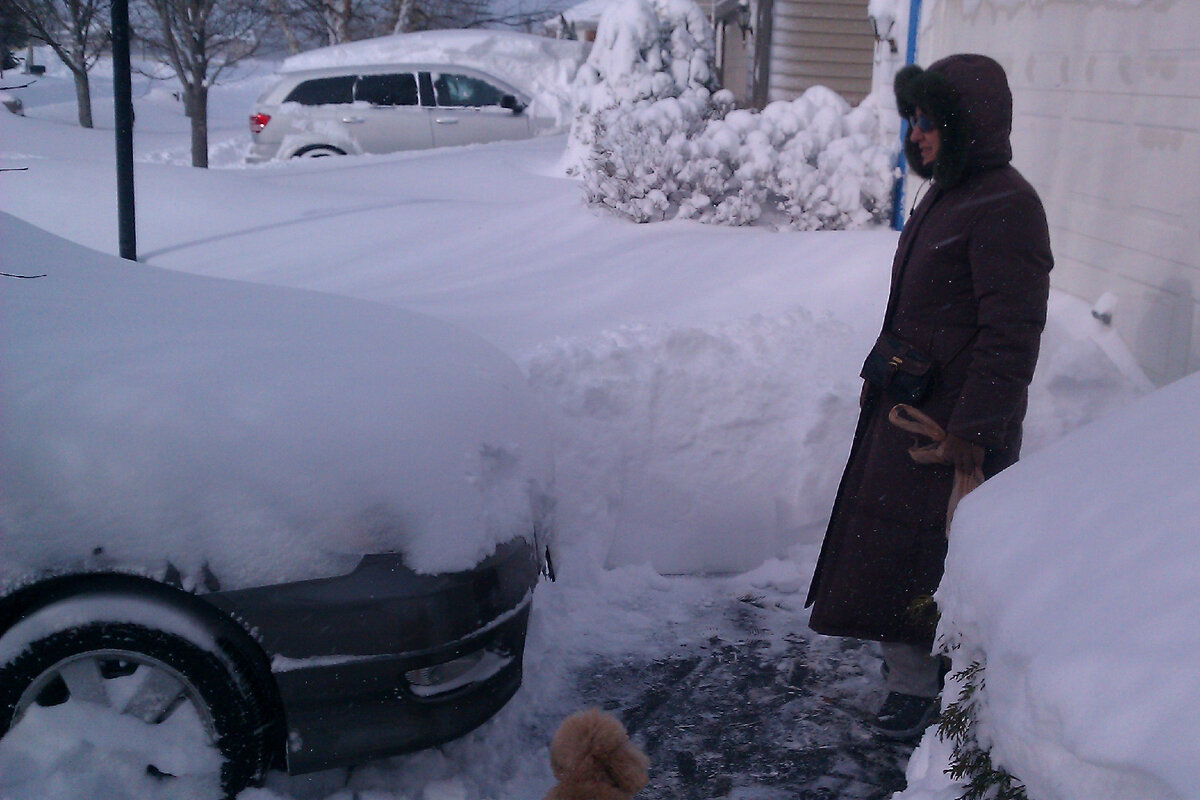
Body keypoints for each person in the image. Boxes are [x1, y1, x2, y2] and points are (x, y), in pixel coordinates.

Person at [804, 54, 1054, 739]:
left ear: (966, 123)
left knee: (930, 565)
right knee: (893, 557)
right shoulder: (948, 193)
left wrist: (972, 434)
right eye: (911, 118)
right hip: (909, 412)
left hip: (950, 434)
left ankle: (938, 696)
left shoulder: (1007, 206)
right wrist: (880, 367)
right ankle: (911, 683)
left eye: (927, 120)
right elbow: (921, 310)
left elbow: (1012, 335)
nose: (914, 133)